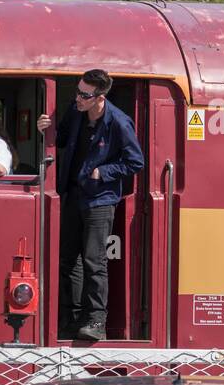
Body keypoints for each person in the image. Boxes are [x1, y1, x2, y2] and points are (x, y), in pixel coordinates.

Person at [37, 69, 145, 342]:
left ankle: (96, 320)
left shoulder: (119, 122)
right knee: (69, 259)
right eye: (78, 91)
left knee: (94, 260)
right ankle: (72, 319)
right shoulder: (76, 112)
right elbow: (60, 141)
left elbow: (136, 162)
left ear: (100, 97)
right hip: (73, 193)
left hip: (100, 200)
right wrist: (46, 128)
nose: (78, 98)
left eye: (84, 95)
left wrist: (104, 172)